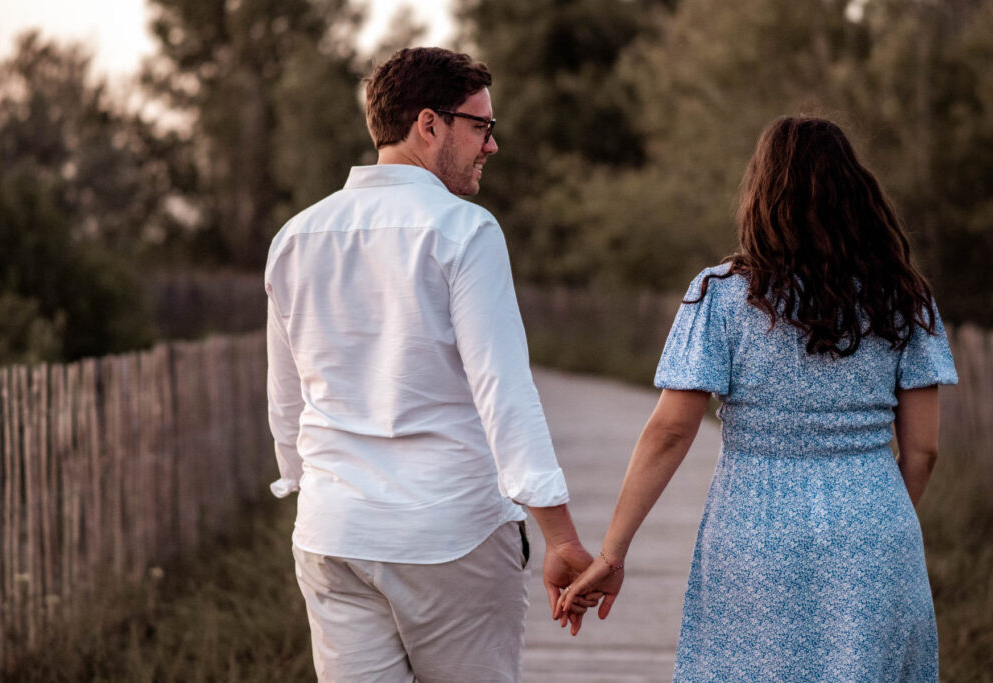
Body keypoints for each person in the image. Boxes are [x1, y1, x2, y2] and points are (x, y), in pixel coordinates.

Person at [557, 116, 957, 681]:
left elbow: (671, 431)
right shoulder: (905, 298)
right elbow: (924, 451)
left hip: (753, 533)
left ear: (761, 195)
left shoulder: (721, 294)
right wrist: (877, 522)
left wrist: (612, 553)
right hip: (876, 528)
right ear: (858, 193)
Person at [264, 47, 594, 683]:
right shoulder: (463, 230)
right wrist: (559, 537)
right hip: (452, 535)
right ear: (429, 124)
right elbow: (504, 392)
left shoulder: (296, 237)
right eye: (481, 126)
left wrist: (312, 488)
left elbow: (287, 399)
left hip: (334, 535)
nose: (491, 146)